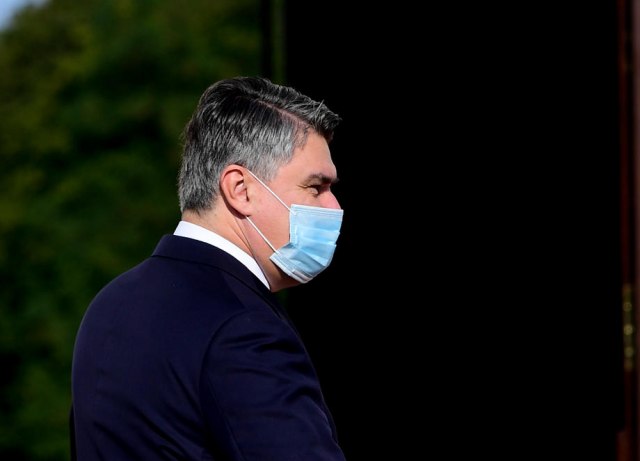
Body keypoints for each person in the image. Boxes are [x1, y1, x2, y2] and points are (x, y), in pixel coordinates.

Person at [70, 76, 347, 460]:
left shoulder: (110, 304)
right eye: (316, 187)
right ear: (241, 189)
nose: (334, 207)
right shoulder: (243, 327)